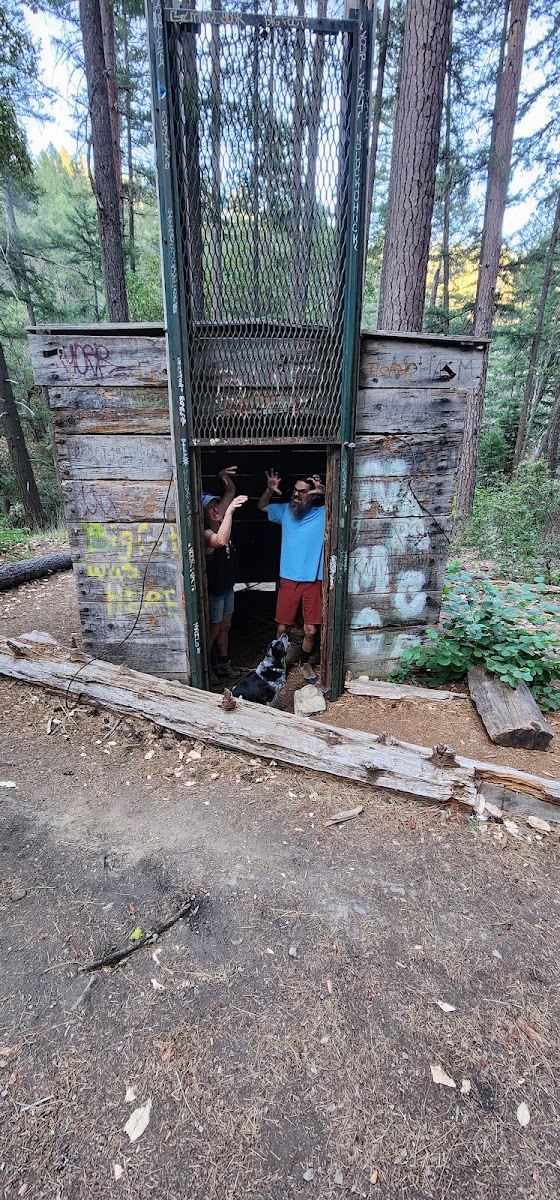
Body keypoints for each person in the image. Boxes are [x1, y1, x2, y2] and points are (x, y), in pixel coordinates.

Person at [257, 469, 325, 681]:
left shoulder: (324, 513)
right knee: (283, 626)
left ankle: (304, 663)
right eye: (295, 490)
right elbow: (261, 506)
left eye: (303, 491)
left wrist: (325, 492)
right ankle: (278, 662)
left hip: (313, 580)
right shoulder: (285, 511)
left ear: (311, 494)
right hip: (288, 579)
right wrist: (269, 490)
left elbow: (343, 505)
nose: (297, 495)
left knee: (311, 630)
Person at [203, 466, 248, 683]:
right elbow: (220, 541)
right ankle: (206, 666)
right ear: (204, 514)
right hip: (216, 591)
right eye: (210, 507)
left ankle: (223, 662)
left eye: (215, 505)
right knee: (213, 630)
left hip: (228, 587)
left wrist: (223, 478)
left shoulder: (218, 520)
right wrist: (229, 512)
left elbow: (230, 492)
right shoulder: (206, 533)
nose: (215, 509)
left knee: (226, 627)